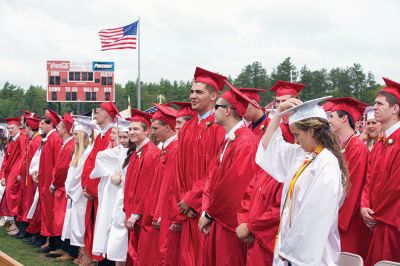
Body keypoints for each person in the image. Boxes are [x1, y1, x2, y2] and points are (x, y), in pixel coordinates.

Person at [256, 97, 348, 265]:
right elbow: (269, 146)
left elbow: (314, 214)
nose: (295, 140)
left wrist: (292, 251)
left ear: (311, 131)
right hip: (290, 250)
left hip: (310, 254)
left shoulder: (327, 163)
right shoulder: (302, 155)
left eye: (297, 134)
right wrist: (278, 113)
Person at [199, 81, 261, 265]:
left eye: (216, 106)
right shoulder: (230, 140)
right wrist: (206, 210)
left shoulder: (246, 142)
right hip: (219, 217)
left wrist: (209, 213)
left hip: (230, 222)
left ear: (227, 111)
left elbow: (234, 186)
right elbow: (213, 178)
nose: (213, 111)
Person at [176, 67, 226, 265]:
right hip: (188, 209)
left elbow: (217, 171)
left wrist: (192, 199)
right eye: (191, 91)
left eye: (199, 92)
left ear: (213, 96)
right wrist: (183, 200)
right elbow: (179, 170)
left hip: (207, 209)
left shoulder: (219, 127)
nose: (193, 96)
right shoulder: (187, 128)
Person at [237, 87, 287, 265]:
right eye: (278, 102)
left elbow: (279, 208)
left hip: (266, 232)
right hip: (254, 223)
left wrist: (252, 227)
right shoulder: (249, 129)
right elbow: (248, 193)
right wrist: (245, 221)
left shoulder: (285, 173)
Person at [361, 77, 400, 265]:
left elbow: (395, 187)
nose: (374, 107)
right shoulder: (381, 143)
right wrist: (364, 205)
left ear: (395, 109)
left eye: (379, 104)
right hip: (378, 219)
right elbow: (369, 180)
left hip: (392, 221)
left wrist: (374, 213)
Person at [324, 97, 369, 254]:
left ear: (344, 119)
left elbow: (353, 188)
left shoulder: (357, 148)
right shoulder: (341, 145)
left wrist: (337, 220)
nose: (328, 120)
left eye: (332, 116)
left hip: (348, 219)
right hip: (335, 213)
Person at [136, 103, 179, 265]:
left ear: (167, 127)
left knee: (161, 252)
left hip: (163, 211)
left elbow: (168, 185)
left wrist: (159, 212)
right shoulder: (166, 149)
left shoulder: (174, 150)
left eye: (155, 128)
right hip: (154, 208)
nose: (152, 132)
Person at [81, 102, 118, 262]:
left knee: (102, 226)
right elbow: (90, 163)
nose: (95, 116)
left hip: (102, 192)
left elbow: (104, 167)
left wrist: (91, 189)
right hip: (94, 190)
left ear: (106, 115)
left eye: (97, 112)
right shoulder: (102, 135)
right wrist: (86, 186)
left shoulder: (111, 135)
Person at [90, 119, 130, 265]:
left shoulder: (129, 153)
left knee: (120, 234)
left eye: (125, 137)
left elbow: (101, 157)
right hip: (116, 196)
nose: (120, 140)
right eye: (122, 136)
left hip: (124, 198)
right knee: (114, 230)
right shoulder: (121, 153)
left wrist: (120, 177)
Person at [123, 109, 160, 264]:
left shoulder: (151, 153)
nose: (131, 132)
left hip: (143, 215)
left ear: (147, 131)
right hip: (133, 212)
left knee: (142, 253)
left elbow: (148, 187)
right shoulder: (137, 152)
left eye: (136, 129)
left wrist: (136, 213)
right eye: (130, 129)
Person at [62, 118, 94, 265]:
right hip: (75, 194)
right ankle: (81, 252)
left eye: (75, 134)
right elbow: (71, 175)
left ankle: (86, 254)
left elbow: (79, 175)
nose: (73, 137)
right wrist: (69, 188)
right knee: (76, 225)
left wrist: (71, 189)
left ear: (82, 136)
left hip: (81, 195)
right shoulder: (77, 153)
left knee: (82, 226)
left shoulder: (88, 152)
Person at [45, 112, 75, 261]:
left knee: (63, 219)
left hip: (63, 188)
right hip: (61, 187)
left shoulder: (69, 145)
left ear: (64, 129)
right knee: (60, 219)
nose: (57, 128)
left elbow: (63, 169)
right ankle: (62, 248)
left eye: (60, 126)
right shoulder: (66, 144)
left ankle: (67, 250)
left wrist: (54, 183)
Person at [0, 117, 27, 235]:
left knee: (12, 195)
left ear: (18, 128)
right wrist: (3, 175)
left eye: (12, 128)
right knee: (8, 195)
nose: (10, 130)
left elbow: (23, 157)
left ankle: (16, 224)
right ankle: (13, 222)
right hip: (10, 172)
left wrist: (18, 173)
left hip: (16, 173)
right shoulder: (11, 141)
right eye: (8, 128)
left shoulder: (21, 139)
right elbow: (6, 160)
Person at [17, 117, 42, 241]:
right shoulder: (33, 140)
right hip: (27, 178)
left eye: (25, 127)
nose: (24, 130)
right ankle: (25, 229)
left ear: (29, 127)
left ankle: (29, 230)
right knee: (26, 203)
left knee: (30, 203)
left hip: (31, 179)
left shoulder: (36, 141)